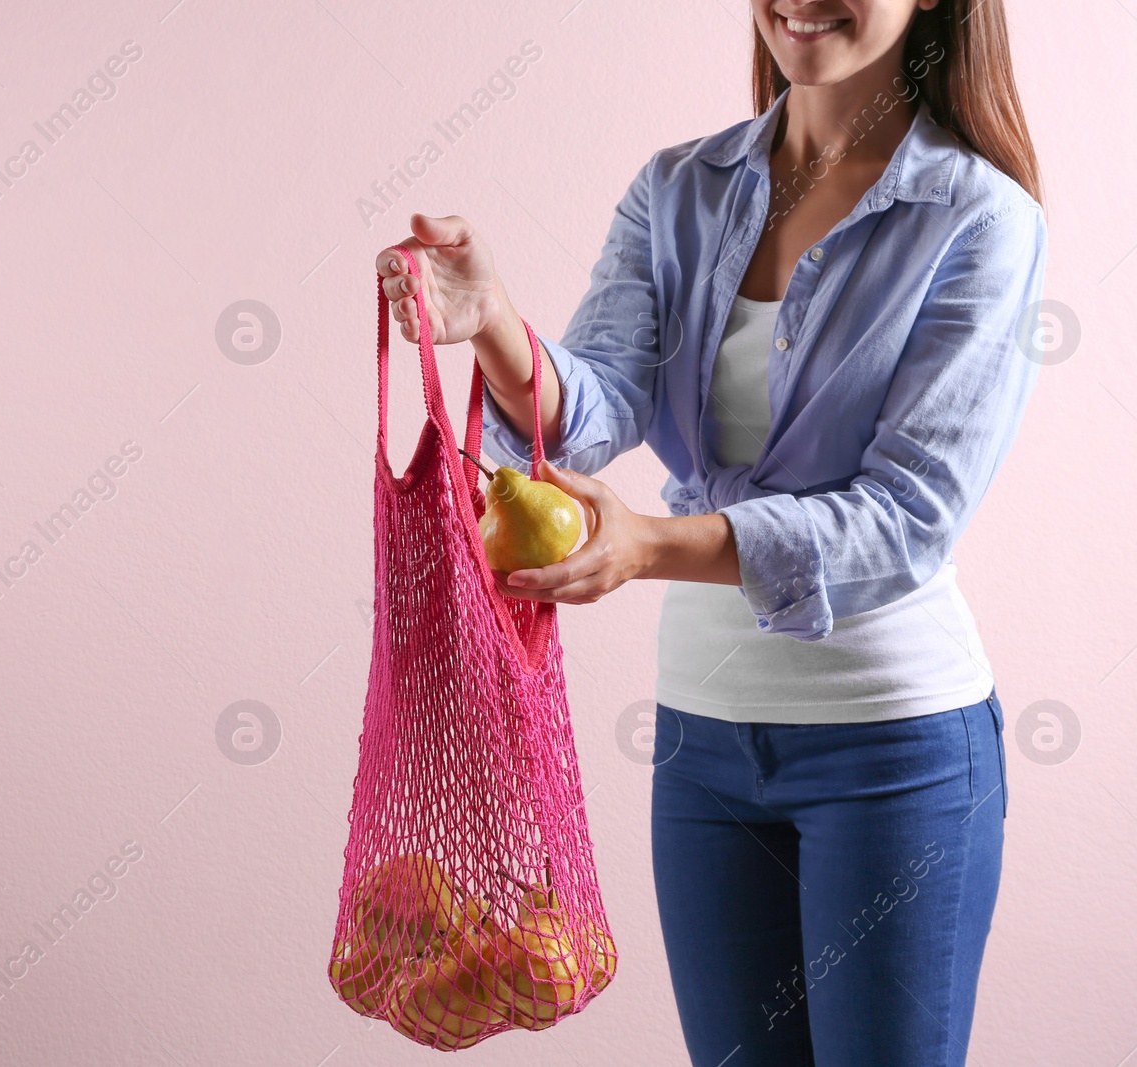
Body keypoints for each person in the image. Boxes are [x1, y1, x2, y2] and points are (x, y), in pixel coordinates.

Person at [375, 1, 1047, 1063]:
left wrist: (646, 545)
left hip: (890, 748)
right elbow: (592, 411)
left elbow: (905, 515)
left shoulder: (978, 216)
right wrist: (493, 322)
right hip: (700, 744)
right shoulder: (679, 187)